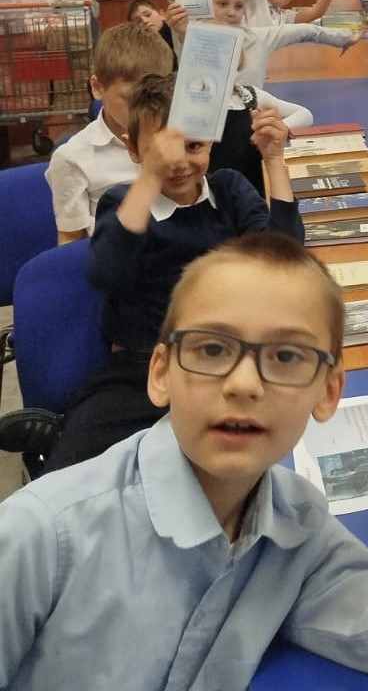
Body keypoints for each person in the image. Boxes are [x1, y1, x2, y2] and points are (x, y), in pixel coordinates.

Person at [0, 232, 368, 688]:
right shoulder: (39, 538)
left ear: (328, 392)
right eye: (211, 349)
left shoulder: (296, 533)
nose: (243, 383)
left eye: (286, 357)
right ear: (161, 373)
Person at [38, 71, 304, 473]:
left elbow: (284, 263)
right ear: (133, 150)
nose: (179, 162)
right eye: (163, 151)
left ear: (211, 142)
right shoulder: (124, 203)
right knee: (77, 472)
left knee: (247, 464)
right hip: (142, 368)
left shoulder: (229, 190)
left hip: (226, 362)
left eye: (194, 146)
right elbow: (106, 273)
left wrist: (274, 161)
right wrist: (149, 177)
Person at [165, 0, 335, 194]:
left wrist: (275, 129)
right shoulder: (182, 103)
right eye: (222, 4)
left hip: (250, 196)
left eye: (227, 56)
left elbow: (305, 114)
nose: (231, 12)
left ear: (238, 61)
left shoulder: (247, 96)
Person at [45, 21, 174, 243]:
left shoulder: (179, 139)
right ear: (97, 87)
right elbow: (70, 241)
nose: (142, 109)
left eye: (154, 97)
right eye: (130, 98)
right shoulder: (72, 158)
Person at [126, 0, 177, 67]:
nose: (144, 21)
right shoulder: (135, 48)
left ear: (162, 15)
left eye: (148, 15)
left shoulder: (177, 35)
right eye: (138, 21)